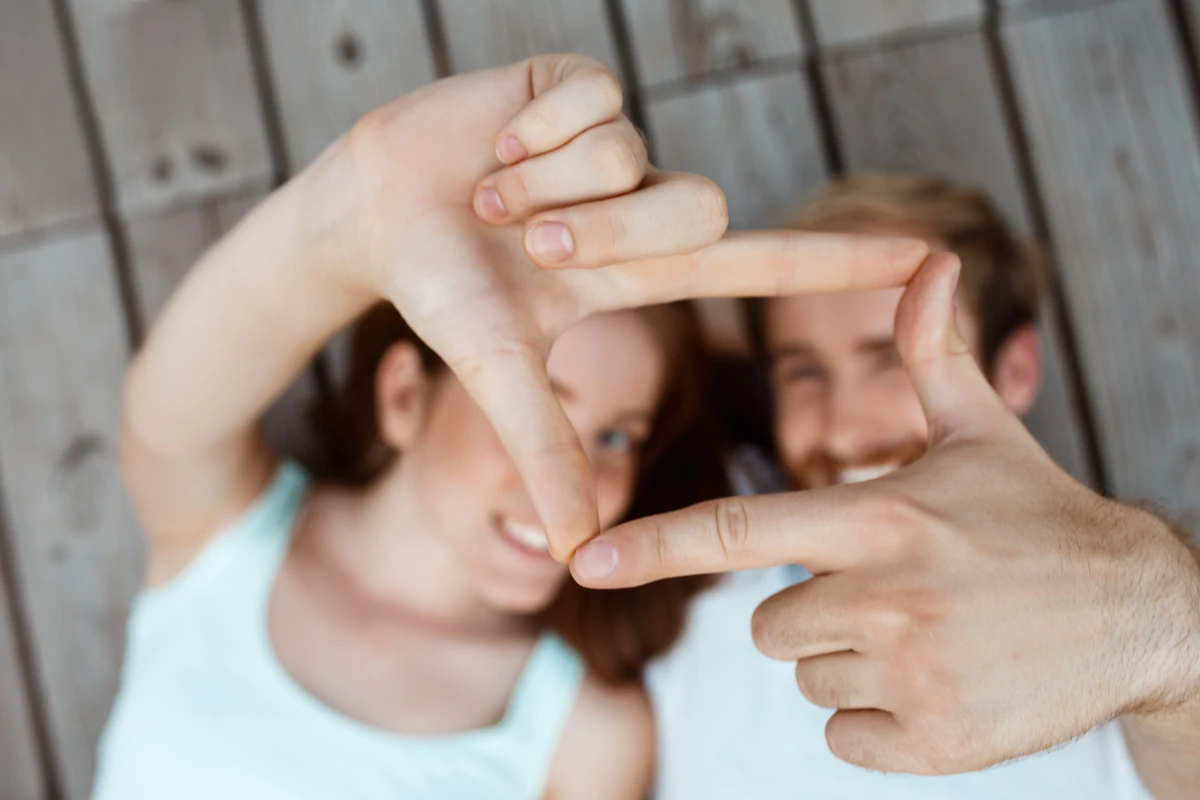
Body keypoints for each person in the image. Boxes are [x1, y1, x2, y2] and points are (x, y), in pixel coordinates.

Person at [95, 55, 929, 799]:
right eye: (534, 403)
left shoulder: (589, 734)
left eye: (618, 437)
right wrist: (355, 204)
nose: (573, 474)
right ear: (403, 397)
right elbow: (168, 399)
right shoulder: (224, 538)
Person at [575, 175, 1200, 800]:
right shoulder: (687, 533)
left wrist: (1156, 619)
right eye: (803, 370)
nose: (846, 430)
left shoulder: (1120, 644)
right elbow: (610, 332)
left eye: (891, 360)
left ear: (1013, 370)